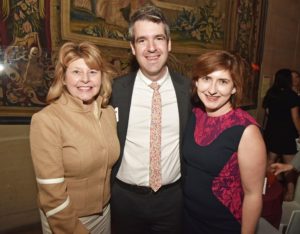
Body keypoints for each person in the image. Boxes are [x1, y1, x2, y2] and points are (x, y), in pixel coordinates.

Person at [110, 4, 191, 234]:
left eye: (158, 38)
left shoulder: (189, 91)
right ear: (133, 48)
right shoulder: (115, 91)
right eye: (142, 40)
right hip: (125, 199)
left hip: (172, 200)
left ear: (169, 43)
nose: (152, 48)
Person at [29, 41, 120, 234]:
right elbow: (52, 195)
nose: (85, 79)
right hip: (65, 220)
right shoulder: (46, 120)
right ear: (63, 77)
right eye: (76, 72)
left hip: (105, 213)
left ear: (102, 77)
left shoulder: (109, 113)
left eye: (93, 72)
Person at [183, 50, 266, 234]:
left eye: (223, 82)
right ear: (196, 81)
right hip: (187, 219)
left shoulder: (246, 131)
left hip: (222, 225)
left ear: (234, 87)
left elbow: (253, 195)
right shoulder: (195, 114)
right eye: (206, 78)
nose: (212, 90)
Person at [263, 68, 300, 201]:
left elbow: (267, 113)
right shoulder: (292, 96)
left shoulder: (271, 93)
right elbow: (295, 118)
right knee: (290, 165)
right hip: (287, 135)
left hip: (272, 132)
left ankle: (264, 187)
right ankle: (290, 194)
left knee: (270, 161)